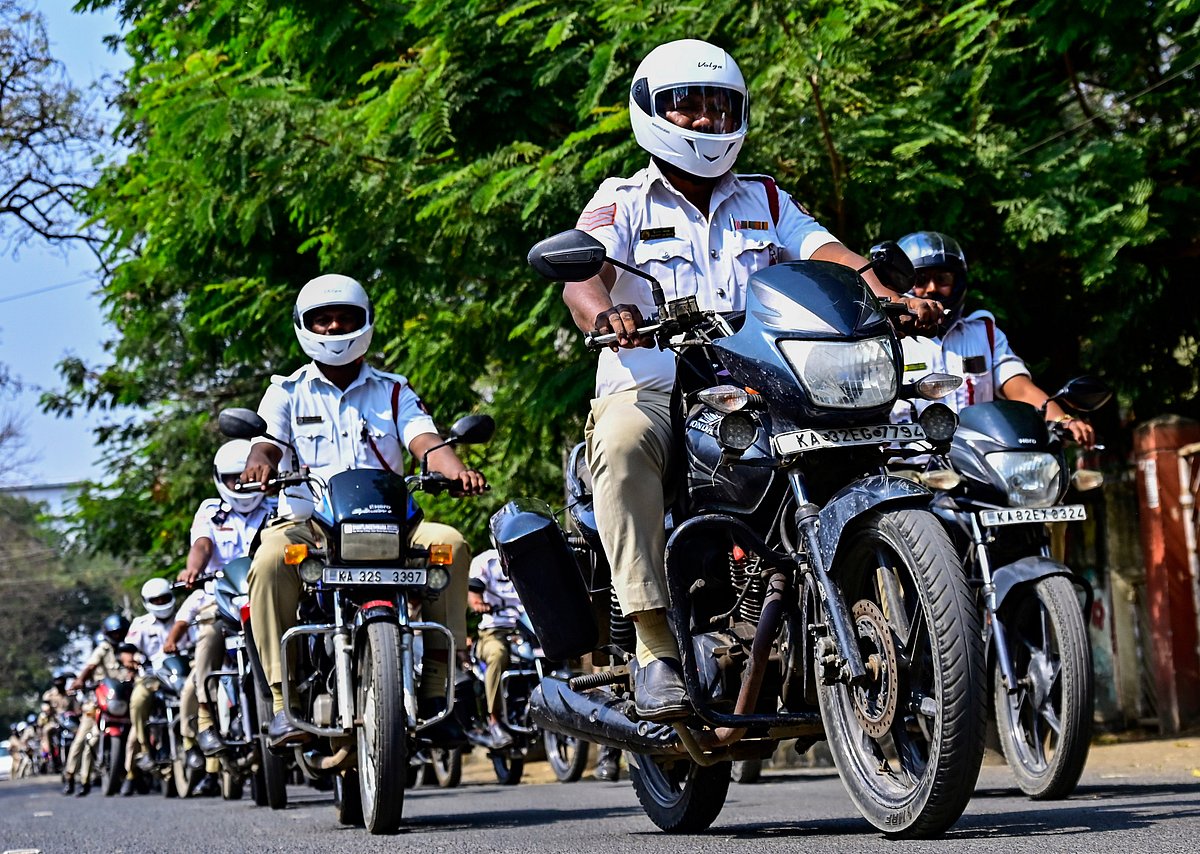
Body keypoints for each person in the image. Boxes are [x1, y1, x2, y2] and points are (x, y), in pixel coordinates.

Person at [561, 39, 943, 720]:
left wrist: (888, 293)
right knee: (620, 445)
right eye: (689, 106)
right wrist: (607, 312)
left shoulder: (765, 198)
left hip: (764, 377)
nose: (707, 121)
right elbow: (581, 273)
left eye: (719, 106)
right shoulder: (622, 199)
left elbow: (828, 254)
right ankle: (654, 647)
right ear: (652, 112)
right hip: (655, 375)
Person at [241, 273, 488, 749]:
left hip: (392, 524)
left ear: (366, 323)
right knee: (271, 559)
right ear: (305, 326)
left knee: (452, 545)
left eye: (346, 318)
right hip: (310, 524)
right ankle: (282, 701)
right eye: (324, 320)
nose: (335, 327)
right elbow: (267, 444)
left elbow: (426, 441)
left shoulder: (393, 390)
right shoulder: (286, 392)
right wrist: (258, 462)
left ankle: (440, 688)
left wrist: (455, 469)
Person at [892, 231, 1096, 447]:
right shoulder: (885, 339)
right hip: (907, 466)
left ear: (958, 283)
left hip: (974, 467)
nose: (932, 288)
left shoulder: (984, 333)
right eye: (921, 280)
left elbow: (1020, 388)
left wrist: (1063, 420)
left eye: (942, 279)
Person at [164, 440, 272, 797]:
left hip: (266, 599)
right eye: (231, 479)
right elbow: (202, 546)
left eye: (245, 477)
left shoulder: (275, 504)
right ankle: (207, 718)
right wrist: (193, 569)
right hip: (221, 601)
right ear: (218, 479)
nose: (240, 485)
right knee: (207, 635)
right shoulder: (211, 511)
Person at [64, 615, 132, 796]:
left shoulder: (131, 647)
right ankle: (74, 777)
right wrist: (80, 681)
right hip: (99, 701)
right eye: (114, 634)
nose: (118, 637)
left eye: (120, 633)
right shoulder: (103, 649)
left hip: (122, 699)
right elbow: (90, 667)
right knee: (85, 740)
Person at [121, 577, 177, 795]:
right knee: (137, 703)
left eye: (165, 598)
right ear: (147, 602)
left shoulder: (184, 618)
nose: (162, 602)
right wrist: (129, 659)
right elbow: (127, 650)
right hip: (152, 678)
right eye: (156, 599)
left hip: (181, 674)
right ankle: (137, 763)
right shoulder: (140, 624)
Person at [466, 548, 525, 748]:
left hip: (528, 629)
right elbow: (474, 598)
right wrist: (480, 605)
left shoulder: (529, 558)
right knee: (498, 655)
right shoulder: (485, 562)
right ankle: (494, 720)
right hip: (493, 632)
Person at [38, 668, 77, 773]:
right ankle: (54, 759)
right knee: (47, 730)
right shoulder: (49, 695)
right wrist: (46, 709)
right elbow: (45, 706)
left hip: (69, 722)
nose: (59, 683)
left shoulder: (70, 694)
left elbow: (77, 709)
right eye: (57, 680)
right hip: (55, 722)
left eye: (61, 680)